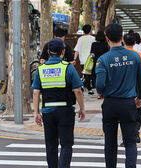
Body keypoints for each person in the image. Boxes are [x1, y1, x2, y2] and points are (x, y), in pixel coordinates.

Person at [95, 23, 141, 168]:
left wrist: (101, 92)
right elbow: (140, 80)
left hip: (110, 104)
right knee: (130, 142)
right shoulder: (135, 57)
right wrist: (139, 97)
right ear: (122, 37)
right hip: (129, 104)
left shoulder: (103, 59)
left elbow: (99, 84)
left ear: (107, 38)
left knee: (110, 142)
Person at [32, 38, 86, 168]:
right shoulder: (68, 67)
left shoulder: (41, 69)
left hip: (47, 112)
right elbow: (77, 90)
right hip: (65, 111)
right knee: (66, 144)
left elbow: (35, 92)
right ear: (63, 51)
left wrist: (36, 113)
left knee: (51, 145)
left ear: (49, 51)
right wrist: (82, 108)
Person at [120, 33, 141, 146]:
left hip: (123, 88)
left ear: (124, 42)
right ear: (134, 43)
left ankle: (126, 137)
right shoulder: (139, 55)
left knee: (124, 114)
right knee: (137, 110)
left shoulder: (119, 56)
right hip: (137, 87)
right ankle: (135, 133)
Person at [86, 30, 110, 95]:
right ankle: (102, 92)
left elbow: (92, 54)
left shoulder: (94, 44)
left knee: (96, 76)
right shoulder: (106, 45)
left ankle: (98, 92)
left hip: (96, 62)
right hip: (104, 62)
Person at [74, 24, 96, 93]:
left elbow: (77, 50)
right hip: (90, 59)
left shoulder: (80, 39)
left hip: (82, 59)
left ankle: (88, 88)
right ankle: (84, 86)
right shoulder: (93, 38)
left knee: (86, 74)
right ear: (90, 30)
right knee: (90, 74)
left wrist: (74, 59)